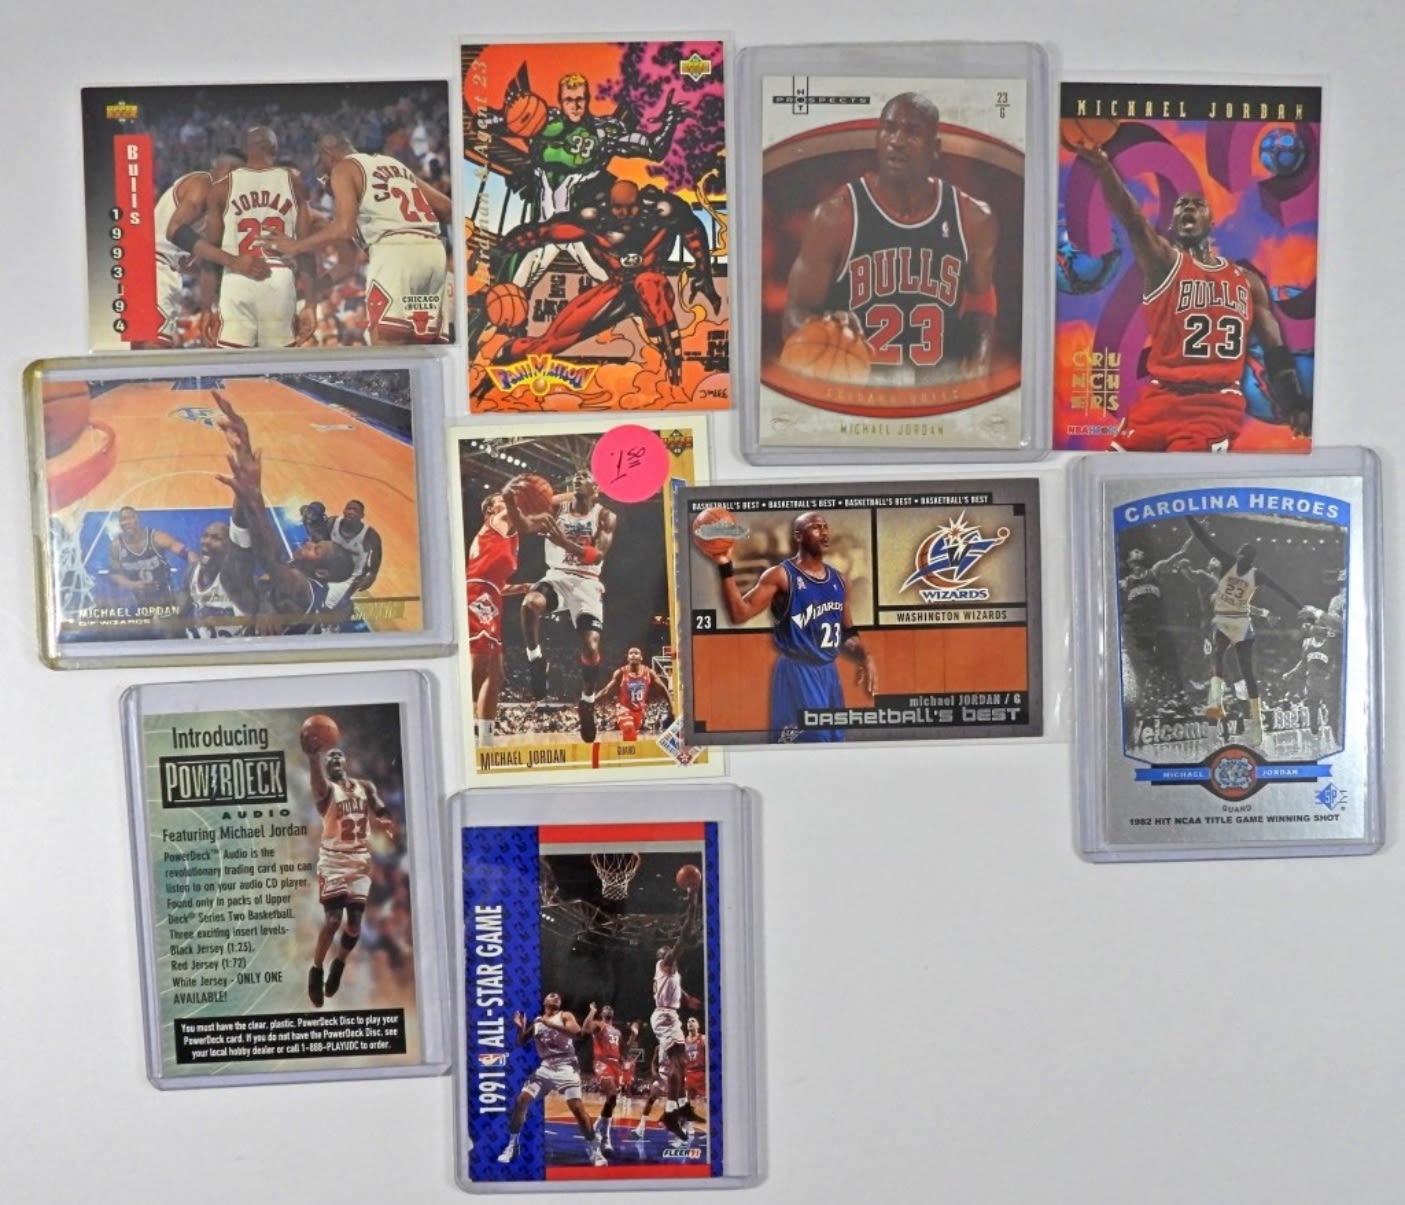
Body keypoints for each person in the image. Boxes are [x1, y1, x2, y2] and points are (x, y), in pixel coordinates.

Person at [1072, 139, 1310, 448]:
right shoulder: (1164, 264)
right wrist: (1105, 168)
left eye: (1197, 205)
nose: (1188, 208)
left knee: (1181, 474)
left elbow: (1274, 349)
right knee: (1114, 470)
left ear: (1211, 222)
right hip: (1159, 399)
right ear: (1172, 223)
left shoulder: (1248, 282)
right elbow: (1134, 223)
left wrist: (1294, 405)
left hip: (1214, 404)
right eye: (1181, 205)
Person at [784, 92, 998, 385]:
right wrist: (822, 328)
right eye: (889, 128)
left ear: (935, 148)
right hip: (857, 393)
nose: (897, 140)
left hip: (934, 392)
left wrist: (981, 350)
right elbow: (794, 312)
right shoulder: (835, 217)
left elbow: (980, 299)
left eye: (912, 132)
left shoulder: (972, 218)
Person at [477, 180, 721, 391]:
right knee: (548, 344)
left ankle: (676, 378)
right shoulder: (593, 219)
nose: (624, 214)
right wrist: (502, 249)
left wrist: (704, 274)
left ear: (640, 202)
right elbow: (543, 233)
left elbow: (692, 230)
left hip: (651, 282)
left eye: (630, 208)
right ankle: (497, 367)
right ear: (609, 205)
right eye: (618, 208)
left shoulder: (662, 211)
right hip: (616, 287)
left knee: (648, 283)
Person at [473, 70, 686, 292]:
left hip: (582, 230)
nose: (575, 106)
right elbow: (498, 122)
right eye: (569, 100)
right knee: (509, 289)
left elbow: (654, 149)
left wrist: (671, 120)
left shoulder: (604, 132)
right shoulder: (542, 120)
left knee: (621, 287)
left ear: (587, 99)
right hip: (544, 228)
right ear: (560, 101)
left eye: (580, 99)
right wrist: (490, 119)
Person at [703, 511, 877, 743]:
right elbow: (739, 613)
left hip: (829, 674)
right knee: (809, 745)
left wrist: (865, 656)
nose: (823, 532)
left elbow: (846, 633)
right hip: (797, 672)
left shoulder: (840, 581)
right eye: (815, 527)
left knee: (834, 745)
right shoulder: (781, 576)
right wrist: (725, 566)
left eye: (825, 526)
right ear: (798, 535)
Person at [262, 132, 452, 343]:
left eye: (320, 166)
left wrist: (296, 246)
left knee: (387, 342)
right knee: (428, 344)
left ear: (327, 155)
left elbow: (344, 228)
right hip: (433, 254)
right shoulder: (392, 164)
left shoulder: (342, 168)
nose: (321, 176)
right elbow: (446, 207)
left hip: (394, 253)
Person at [212, 391, 359, 633]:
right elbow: (265, 573)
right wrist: (244, 453)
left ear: (321, 572)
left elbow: (269, 558)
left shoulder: (304, 589)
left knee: (239, 561)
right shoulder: (298, 573)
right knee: (239, 556)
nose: (309, 543)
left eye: (316, 549)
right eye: (315, 544)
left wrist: (254, 496)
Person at [1185, 517, 1304, 747]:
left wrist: (1188, 516)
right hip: (1233, 622)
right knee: (1235, 675)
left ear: (1241, 556)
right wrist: (1300, 607)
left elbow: (1203, 538)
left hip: (1229, 622)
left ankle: (1233, 726)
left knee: (1226, 675)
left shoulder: (1230, 562)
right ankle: (1246, 724)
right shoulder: (1250, 572)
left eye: (1243, 556)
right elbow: (1282, 592)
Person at [520, 471, 618, 744]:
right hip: (557, 575)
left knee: (591, 646)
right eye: (576, 474)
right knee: (530, 603)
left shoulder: (605, 516)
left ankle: (587, 701)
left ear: (596, 489)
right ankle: (536, 660)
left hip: (587, 581)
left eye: (586, 475)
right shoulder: (556, 506)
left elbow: (597, 555)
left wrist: (562, 542)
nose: (579, 475)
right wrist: (517, 497)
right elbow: (527, 515)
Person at [141, 148, 270, 349]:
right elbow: (175, 230)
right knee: (153, 348)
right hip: (152, 266)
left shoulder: (219, 210)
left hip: (163, 269)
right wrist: (233, 261)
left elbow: (207, 264)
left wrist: (207, 309)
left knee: (147, 346)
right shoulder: (202, 184)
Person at [200, 126, 313, 348]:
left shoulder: (222, 187)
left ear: (245, 150)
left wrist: (206, 307)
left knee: (233, 360)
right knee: (279, 362)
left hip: (237, 275)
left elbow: (210, 252)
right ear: (275, 149)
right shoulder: (295, 183)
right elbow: (306, 248)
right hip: (278, 277)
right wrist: (310, 304)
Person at [305, 744, 394, 1008]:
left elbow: (378, 806)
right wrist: (313, 757)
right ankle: (316, 970)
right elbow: (317, 780)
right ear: (326, 766)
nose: (334, 758)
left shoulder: (365, 786)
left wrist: (384, 816)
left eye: (338, 755)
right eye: (329, 757)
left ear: (346, 761)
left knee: (354, 925)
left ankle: (339, 963)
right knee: (333, 920)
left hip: (359, 860)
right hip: (333, 860)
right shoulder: (325, 790)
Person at [466, 491, 555, 747]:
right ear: (490, 510)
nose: (507, 503)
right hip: (478, 594)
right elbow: (532, 506)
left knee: (496, 675)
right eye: (500, 500)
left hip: (490, 594)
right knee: (479, 667)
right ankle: (456, 723)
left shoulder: (506, 536)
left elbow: (496, 583)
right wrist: (573, 496)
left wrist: (521, 587)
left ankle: (485, 740)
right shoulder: (498, 520)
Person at [497, 995, 607, 1168]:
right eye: (551, 995)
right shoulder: (538, 1022)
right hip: (546, 1067)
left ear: (559, 1004)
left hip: (566, 1065)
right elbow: (520, 1041)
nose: (555, 996)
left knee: (577, 1109)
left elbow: (577, 1034)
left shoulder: (565, 1016)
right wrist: (520, 1027)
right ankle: (513, 1144)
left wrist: (550, 1024)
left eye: (557, 997)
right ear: (545, 1002)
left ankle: (593, 1147)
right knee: (521, 1100)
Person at [649, 888, 703, 1145]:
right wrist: (692, 905)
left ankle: (681, 1107)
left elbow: (676, 988)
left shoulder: (671, 974)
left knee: (681, 1065)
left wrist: (688, 997)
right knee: (676, 1064)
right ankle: (671, 1113)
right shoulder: (665, 963)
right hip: (664, 1016)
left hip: (670, 1015)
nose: (670, 950)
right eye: (667, 950)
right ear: (664, 957)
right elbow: (682, 938)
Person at [1117, 535, 1194, 712]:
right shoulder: (1125, 582)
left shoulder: (1155, 570)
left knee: (1158, 665)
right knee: (1138, 668)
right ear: (1129, 560)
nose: (1140, 552)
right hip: (1133, 628)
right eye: (1136, 551)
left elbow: (1180, 553)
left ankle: (1151, 702)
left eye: (1141, 551)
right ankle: (1134, 703)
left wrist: (1194, 535)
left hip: (1152, 628)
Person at [106, 506, 195, 606]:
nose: (126, 522)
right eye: (123, 520)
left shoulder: (157, 538)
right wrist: (134, 585)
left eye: (130, 518)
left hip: (165, 596)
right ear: (120, 523)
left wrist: (195, 571)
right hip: (138, 601)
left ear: (137, 519)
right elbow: (114, 574)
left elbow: (187, 553)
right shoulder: (116, 545)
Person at [586, 1005, 640, 1154]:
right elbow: (585, 1028)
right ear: (602, 1013)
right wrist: (592, 1012)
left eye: (610, 1008)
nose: (608, 1008)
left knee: (612, 1101)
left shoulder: (617, 1032)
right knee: (612, 1095)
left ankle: (597, 1127)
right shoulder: (599, 1025)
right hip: (602, 1062)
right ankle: (605, 1138)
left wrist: (633, 1035)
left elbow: (625, 1050)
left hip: (616, 1065)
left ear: (613, 1013)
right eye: (605, 1008)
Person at [592, 647, 671, 741]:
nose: (633, 655)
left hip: (639, 711)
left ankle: (627, 750)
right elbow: (606, 689)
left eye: (636, 653)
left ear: (641, 657)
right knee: (629, 728)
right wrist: (591, 701)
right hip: (623, 708)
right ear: (627, 658)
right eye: (630, 653)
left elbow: (662, 688)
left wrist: (671, 703)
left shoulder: (649, 672)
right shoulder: (621, 672)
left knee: (631, 737)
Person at [329, 500, 384, 595]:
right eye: (348, 508)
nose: (351, 512)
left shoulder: (370, 534)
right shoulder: (332, 522)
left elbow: (377, 554)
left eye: (355, 510)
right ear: (344, 511)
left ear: (362, 515)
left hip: (352, 577)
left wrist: (372, 575)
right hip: (329, 569)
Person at [682, 1017, 707, 1104]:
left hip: (701, 1073)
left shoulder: (703, 1038)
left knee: (705, 1101)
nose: (690, 1023)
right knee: (687, 1102)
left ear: (698, 1025)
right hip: (689, 1074)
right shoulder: (683, 1042)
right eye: (688, 1021)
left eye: (693, 1021)